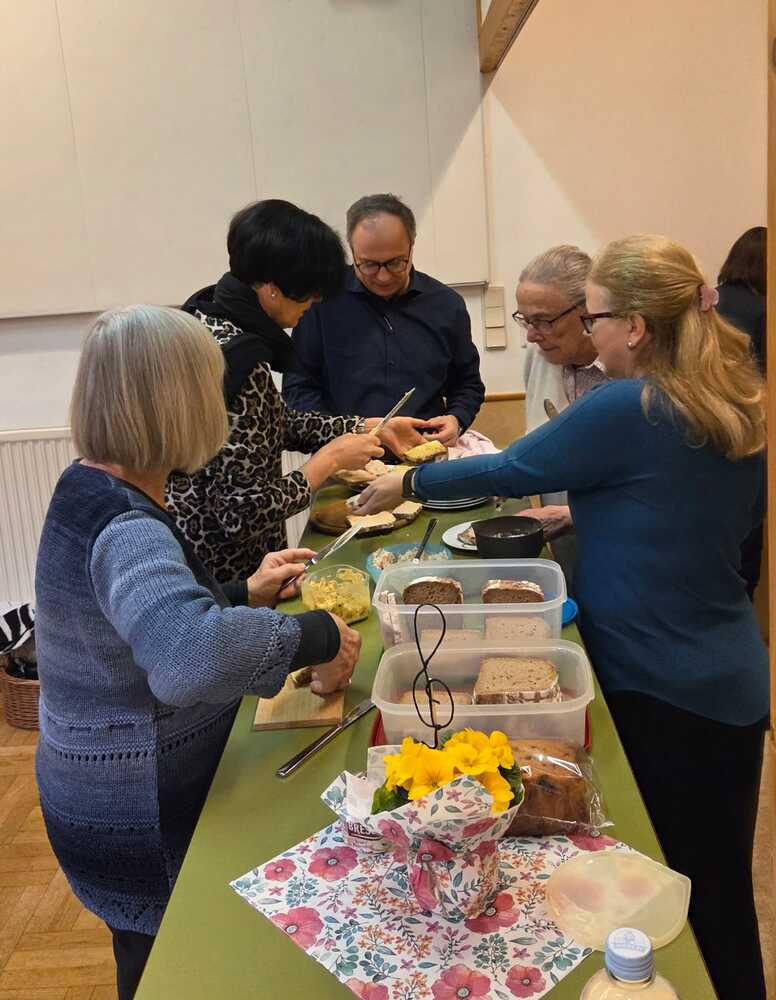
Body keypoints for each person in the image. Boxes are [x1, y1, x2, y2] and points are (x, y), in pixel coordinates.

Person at [357, 235, 768, 999]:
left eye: (597, 319)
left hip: (662, 687)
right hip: (728, 681)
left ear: (634, 326)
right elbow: (708, 523)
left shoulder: (627, 404)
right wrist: (591, 514)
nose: (591, 334)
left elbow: (515, 468)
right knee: (717, 890)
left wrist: (406, 482)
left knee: (667, 887)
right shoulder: (729, 395)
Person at [34, 305, 361, 1000]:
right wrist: (318, 635)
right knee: (171, 973)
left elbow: (137, 628)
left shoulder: (86, 484)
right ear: (182, 403)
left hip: (98, 785)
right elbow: (190, 660)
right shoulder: (127, 525)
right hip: (133, 811)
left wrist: (241, 592)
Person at [167, 199, 429, 582]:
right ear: (274, 289)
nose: (316, 301)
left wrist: (362, 426)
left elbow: (271, 422)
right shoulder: (237, 358)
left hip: (195, 549)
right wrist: (327, 462)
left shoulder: (204, 318)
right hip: (225, 571)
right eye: (310, 291)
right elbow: (241, 513)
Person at [282, 193, 485, 447]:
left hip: (425, 453)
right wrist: (336, 437)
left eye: (395, 263)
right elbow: (299, 387)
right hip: (344, 455)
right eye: (369, 265)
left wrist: (456, 419)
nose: (383, 277)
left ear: (411, 246)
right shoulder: (320, 302)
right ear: (352, 252)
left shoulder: (446, 305)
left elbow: (467, 384)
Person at [517, 246, 609, 575]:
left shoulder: (628, 370)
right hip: (564, 544)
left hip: (621, 547)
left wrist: (572, 516)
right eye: (525, 320)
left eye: (543, 321)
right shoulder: (540, 356)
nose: (531, 335)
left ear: (588, 311)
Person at [717, 226, 767, 599]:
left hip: (702, 429)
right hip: (748, 432)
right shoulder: (764, 312)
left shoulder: (707, 303)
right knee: (746, 537)